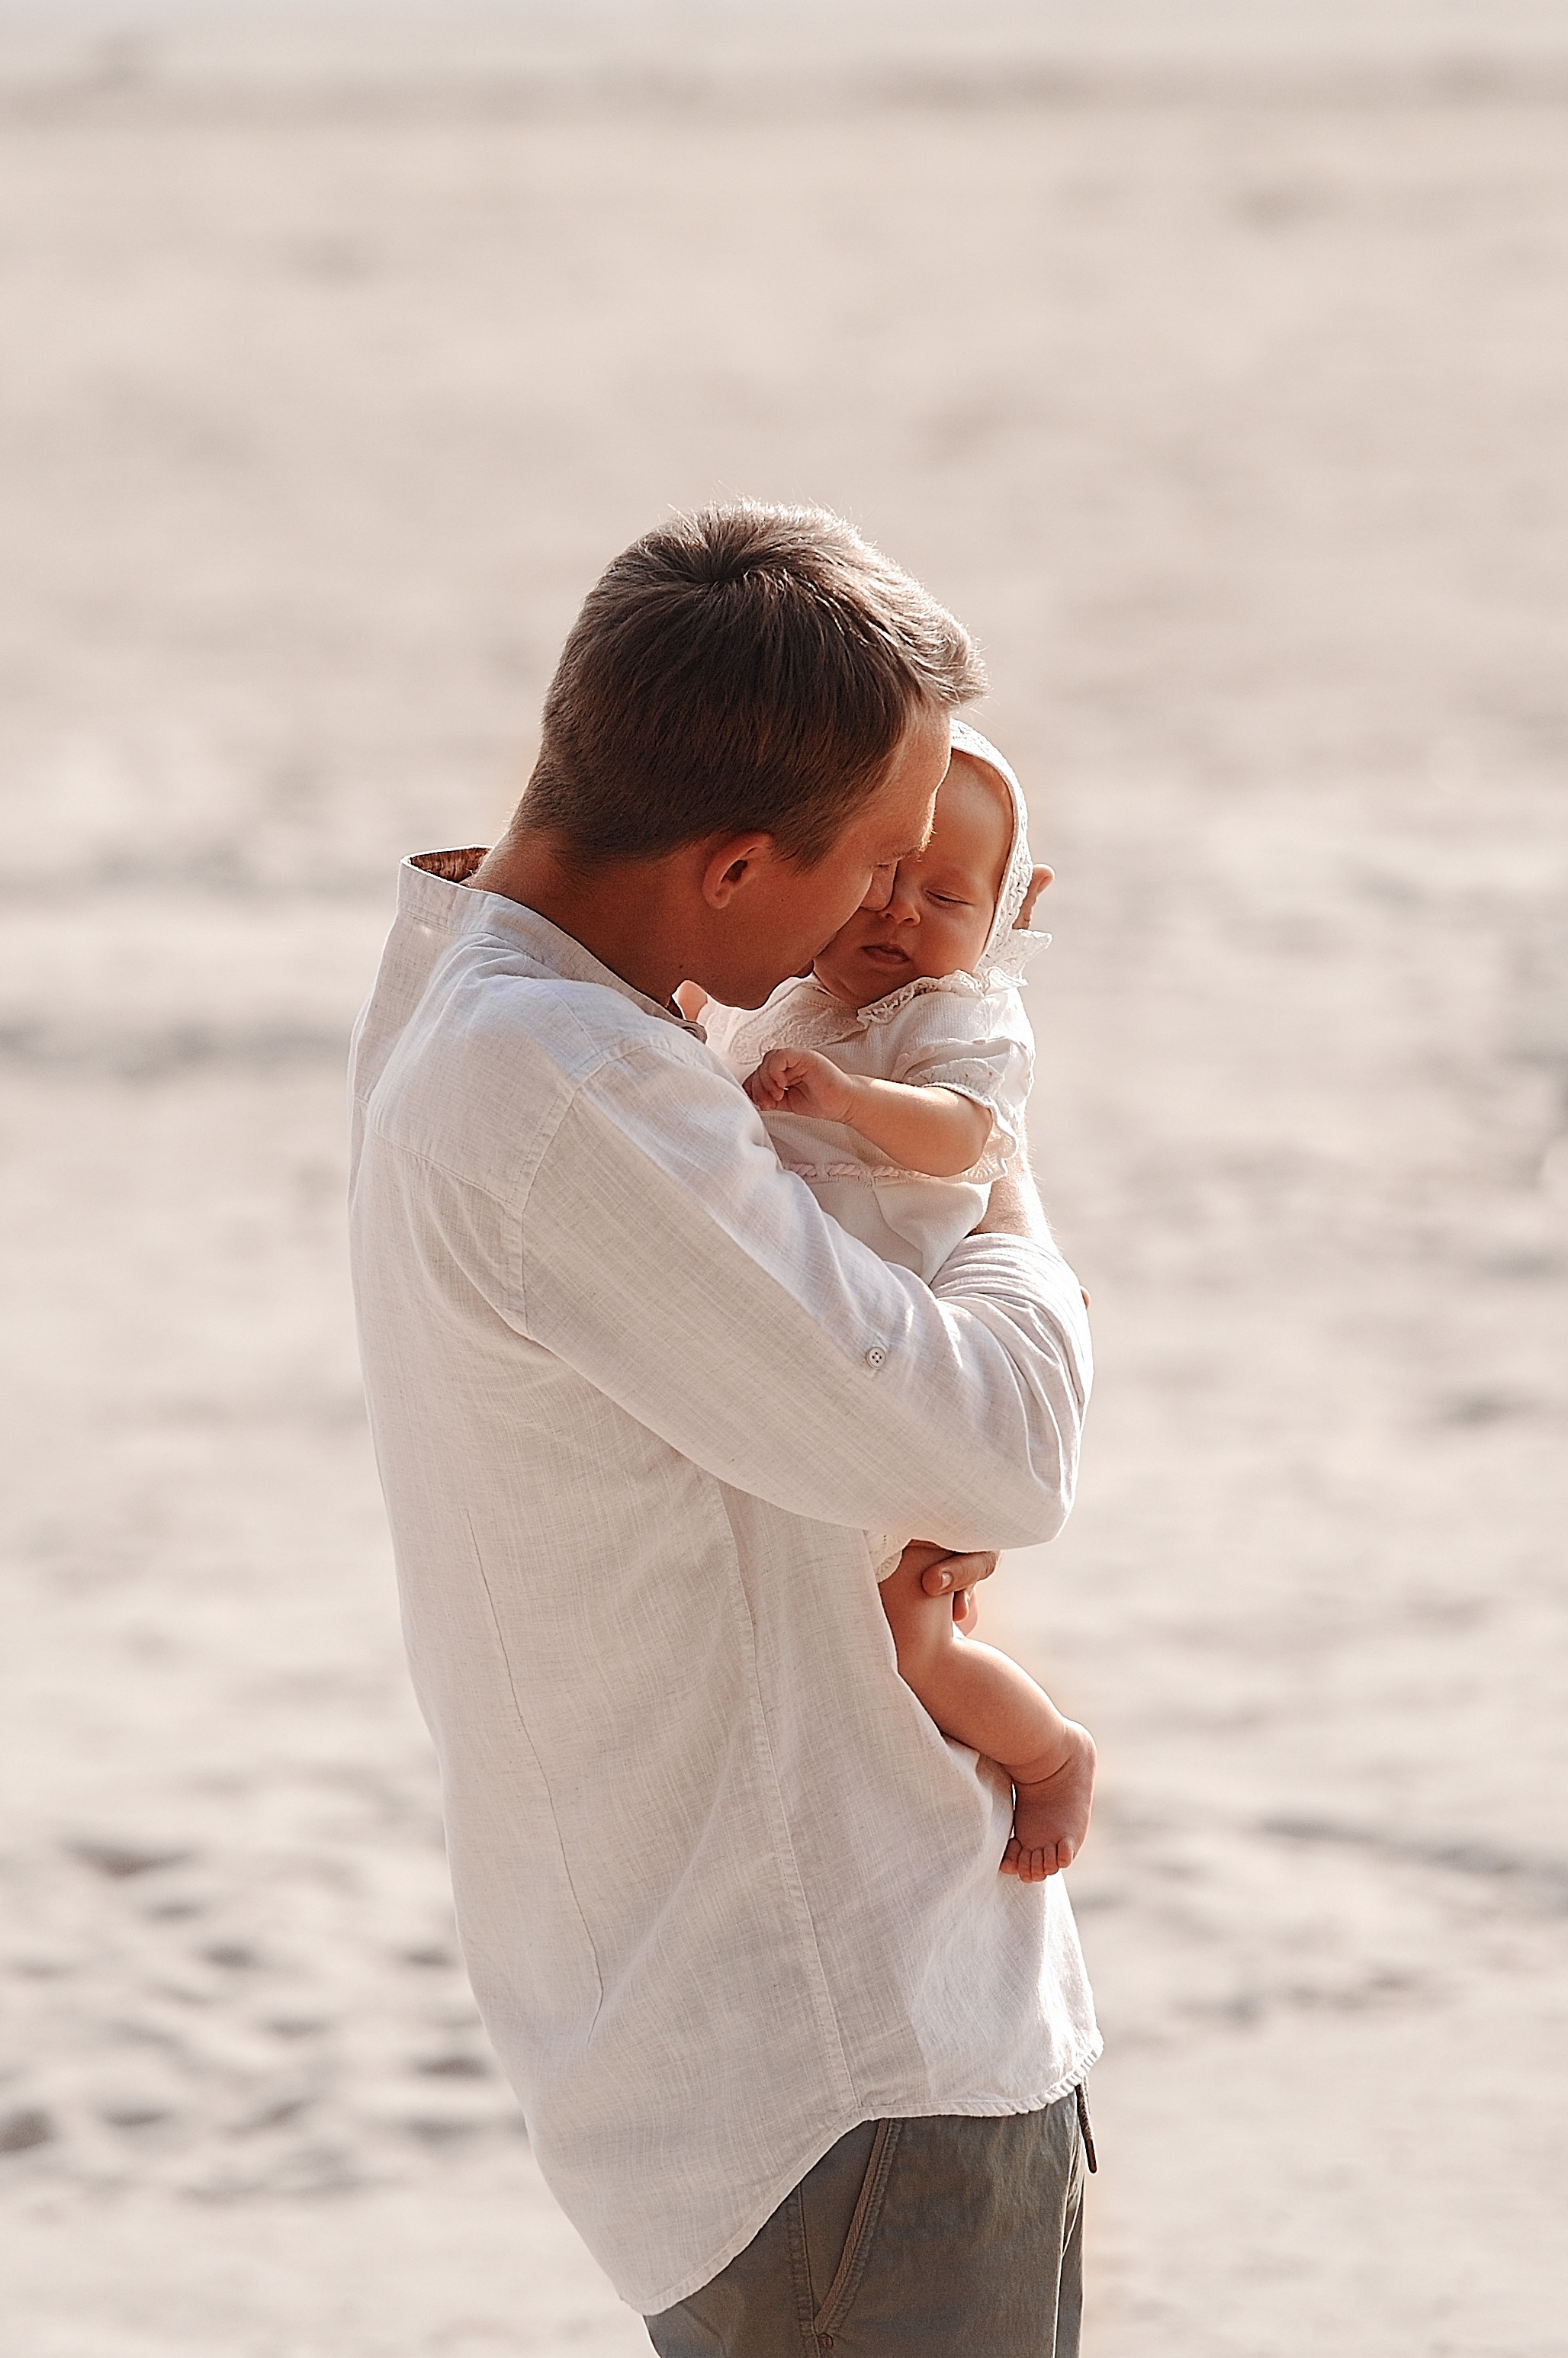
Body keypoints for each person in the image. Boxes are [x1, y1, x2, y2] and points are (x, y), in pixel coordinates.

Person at [349, 503, 1098, 2354]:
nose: (890, 926)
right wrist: (995, 1175)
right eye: (870, 871)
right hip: (837, 2065)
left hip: (757, 2056)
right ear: (737, 860)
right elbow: (999, 1446)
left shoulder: (479, 995)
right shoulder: (567, 1091)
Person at [688, 725, 1095, 1884]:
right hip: (829, 1342)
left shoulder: (959, 1015)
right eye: (881, 877)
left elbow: (969, 1135)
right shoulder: (786, 1003)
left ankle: (1052, 1753)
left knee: (912, 1633)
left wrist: (857, 1101)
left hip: (909, 1337)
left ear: (1011, 913)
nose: (901, 916)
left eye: (949, 896)